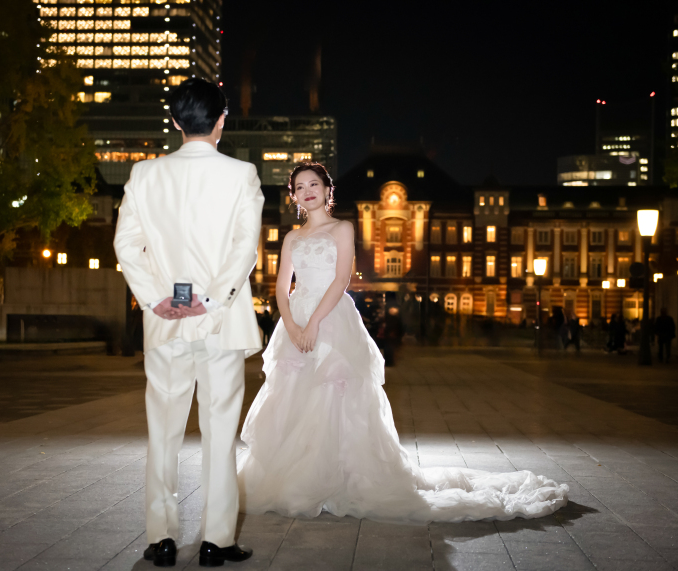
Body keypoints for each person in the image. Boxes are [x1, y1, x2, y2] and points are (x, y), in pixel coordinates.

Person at [237, 162, 568, 525]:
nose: (308, 191)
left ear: (328, 191)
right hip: (295, 319)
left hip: (330, 317)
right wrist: (292, 324)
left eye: (314, 184)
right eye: (300, 187)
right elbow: (281, 287)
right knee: (293, 394)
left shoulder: (343, 228)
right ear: (294, 196)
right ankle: (294, 476)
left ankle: (338, 476)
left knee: (335, 392)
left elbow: (342, 279)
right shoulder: (291, 238)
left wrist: (314, 322)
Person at [114, 78, 262, 568]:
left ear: (175, 122)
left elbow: (125, 246)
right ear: (222, 120)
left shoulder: (144, 175)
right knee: (221, 432)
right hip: (220, 323)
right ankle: (216, 541)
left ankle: (161, 538)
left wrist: (157, 300)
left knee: (164, 431)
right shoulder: (241, 174)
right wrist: (212, 301)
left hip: (165, 323)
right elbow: (245, 251)